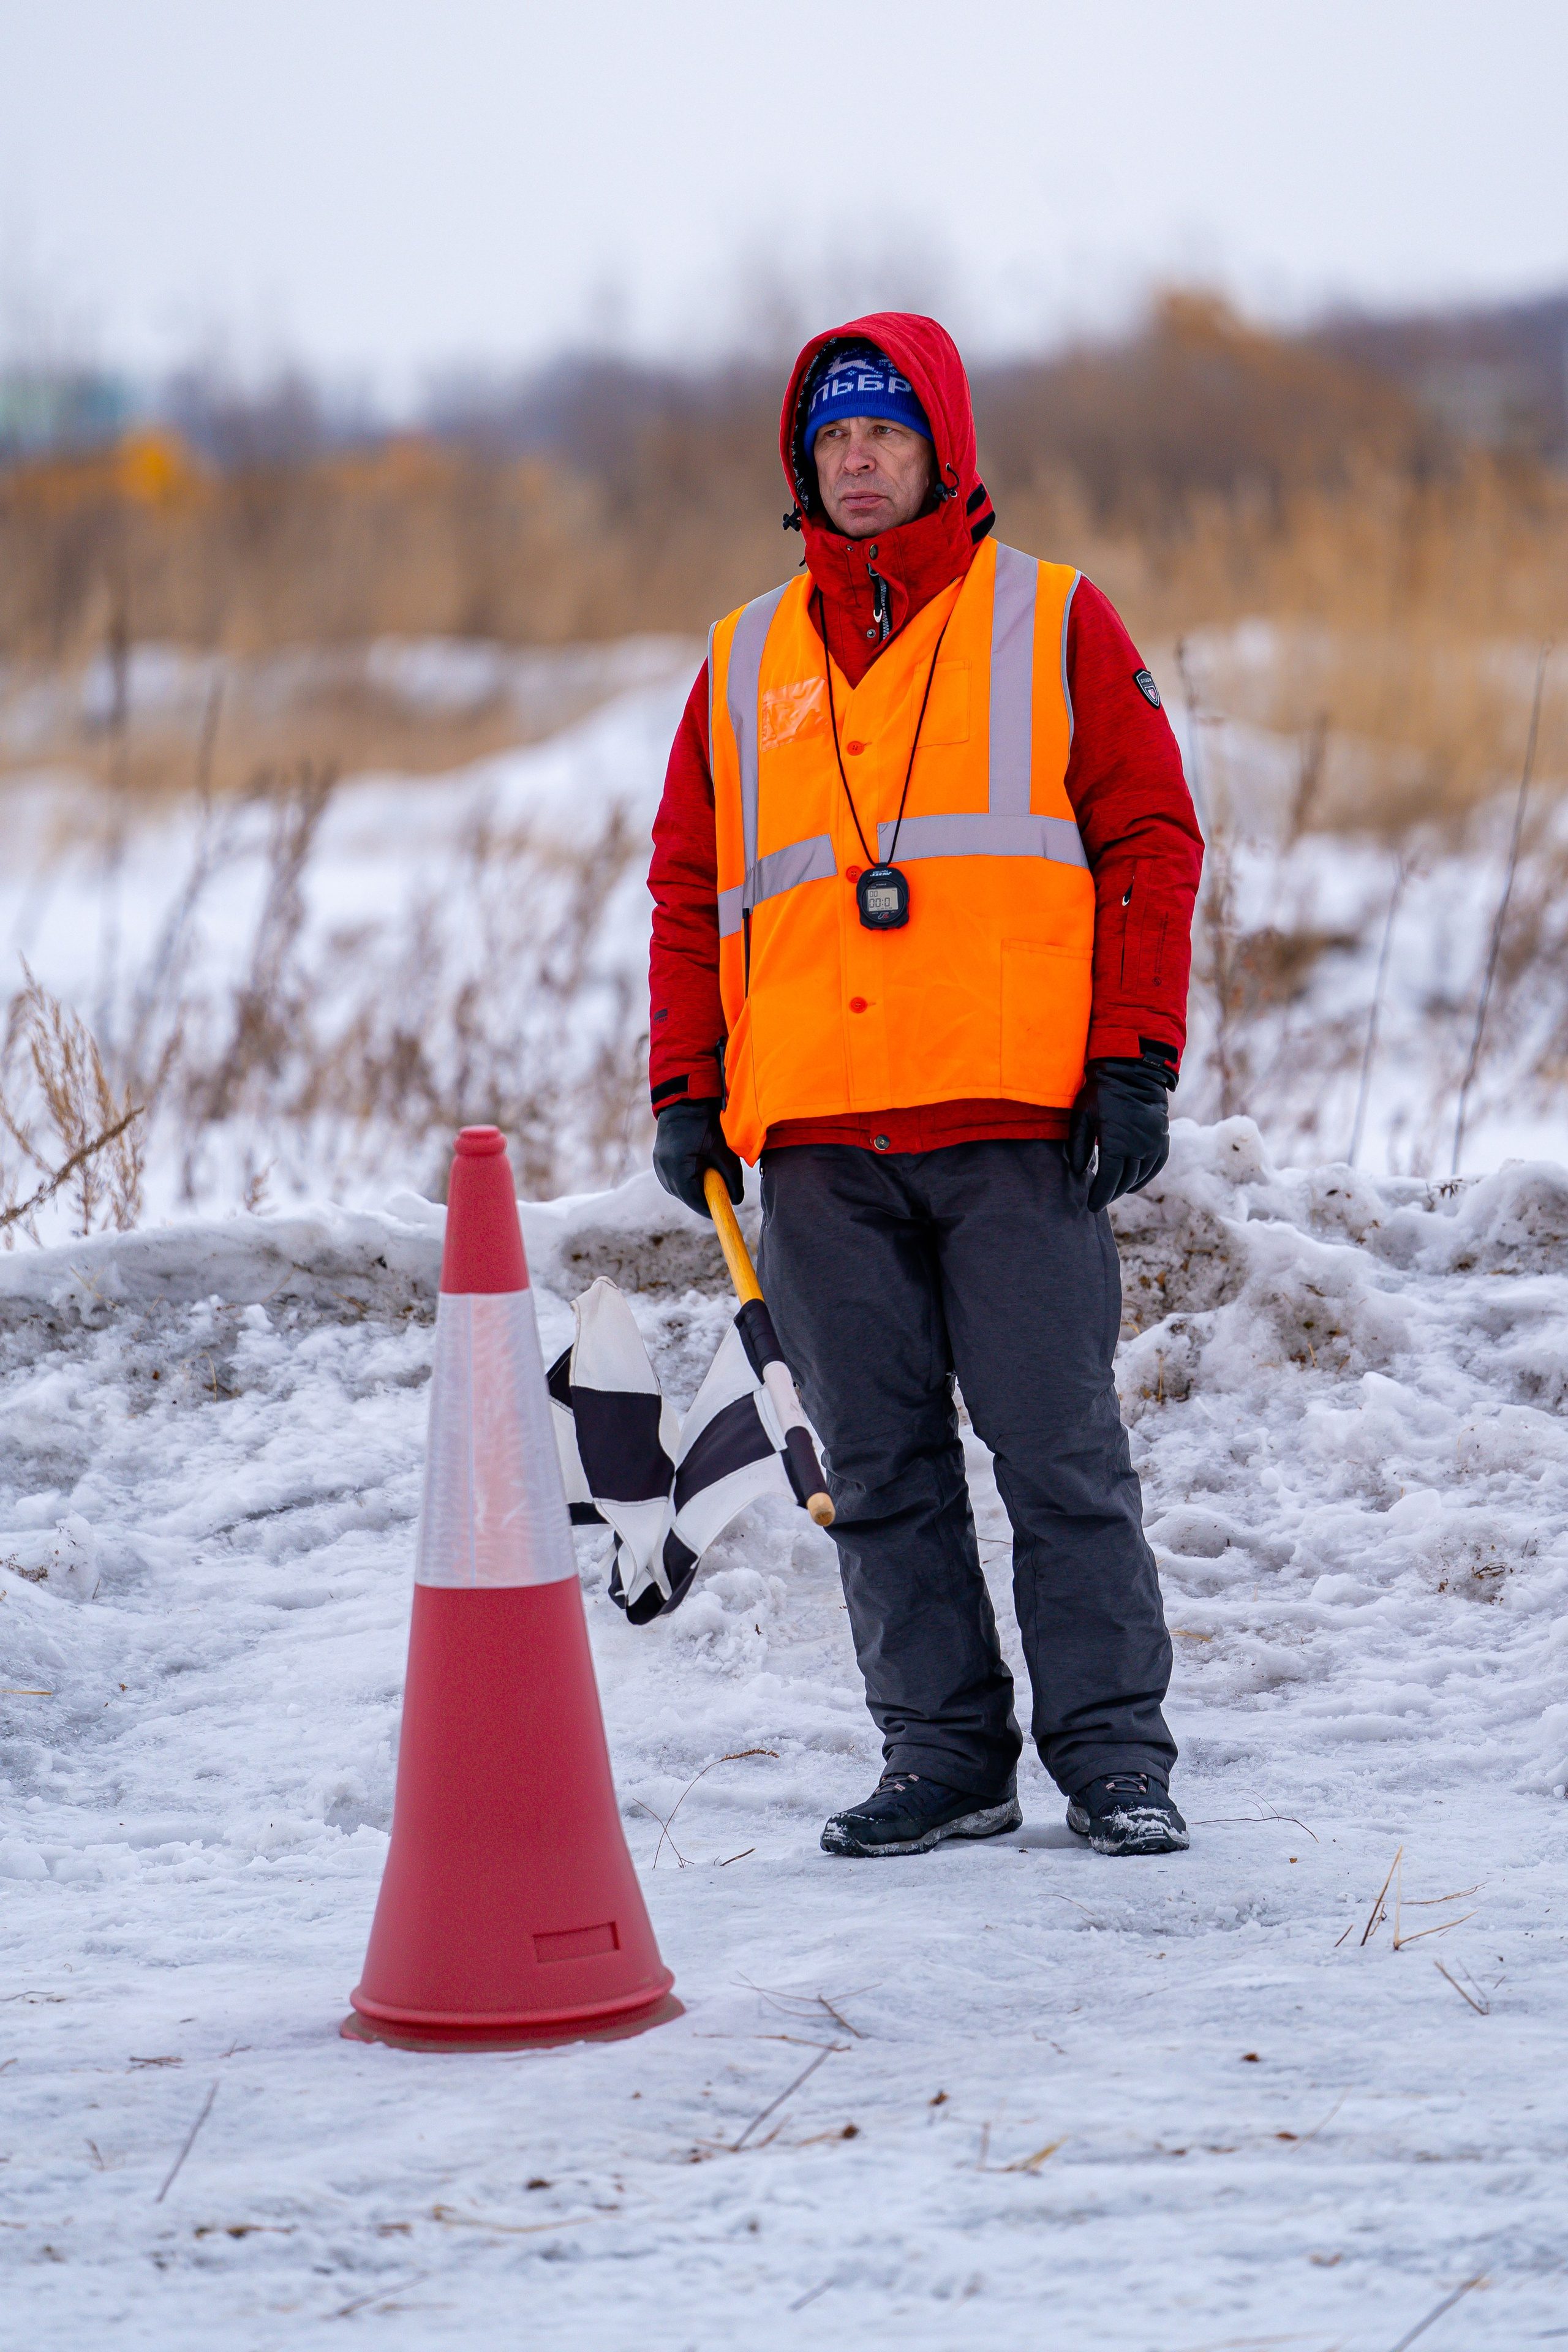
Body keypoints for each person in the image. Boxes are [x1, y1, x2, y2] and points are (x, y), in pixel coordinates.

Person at [648, 314, 1203, 1858]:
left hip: (1012, 1124)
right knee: (877, 1475)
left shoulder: (1055, 620)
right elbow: (688, 887)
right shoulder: (742, 657)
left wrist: (1131, 1056)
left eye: (884, 433)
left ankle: (1110, 1763)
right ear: (800, 466)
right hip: (818, 1138)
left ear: (941, 445)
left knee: (1058, 1457)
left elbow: (1151, 843)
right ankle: (943, 1758)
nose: (858, 461)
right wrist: (684, 1081)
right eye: (831, 440)